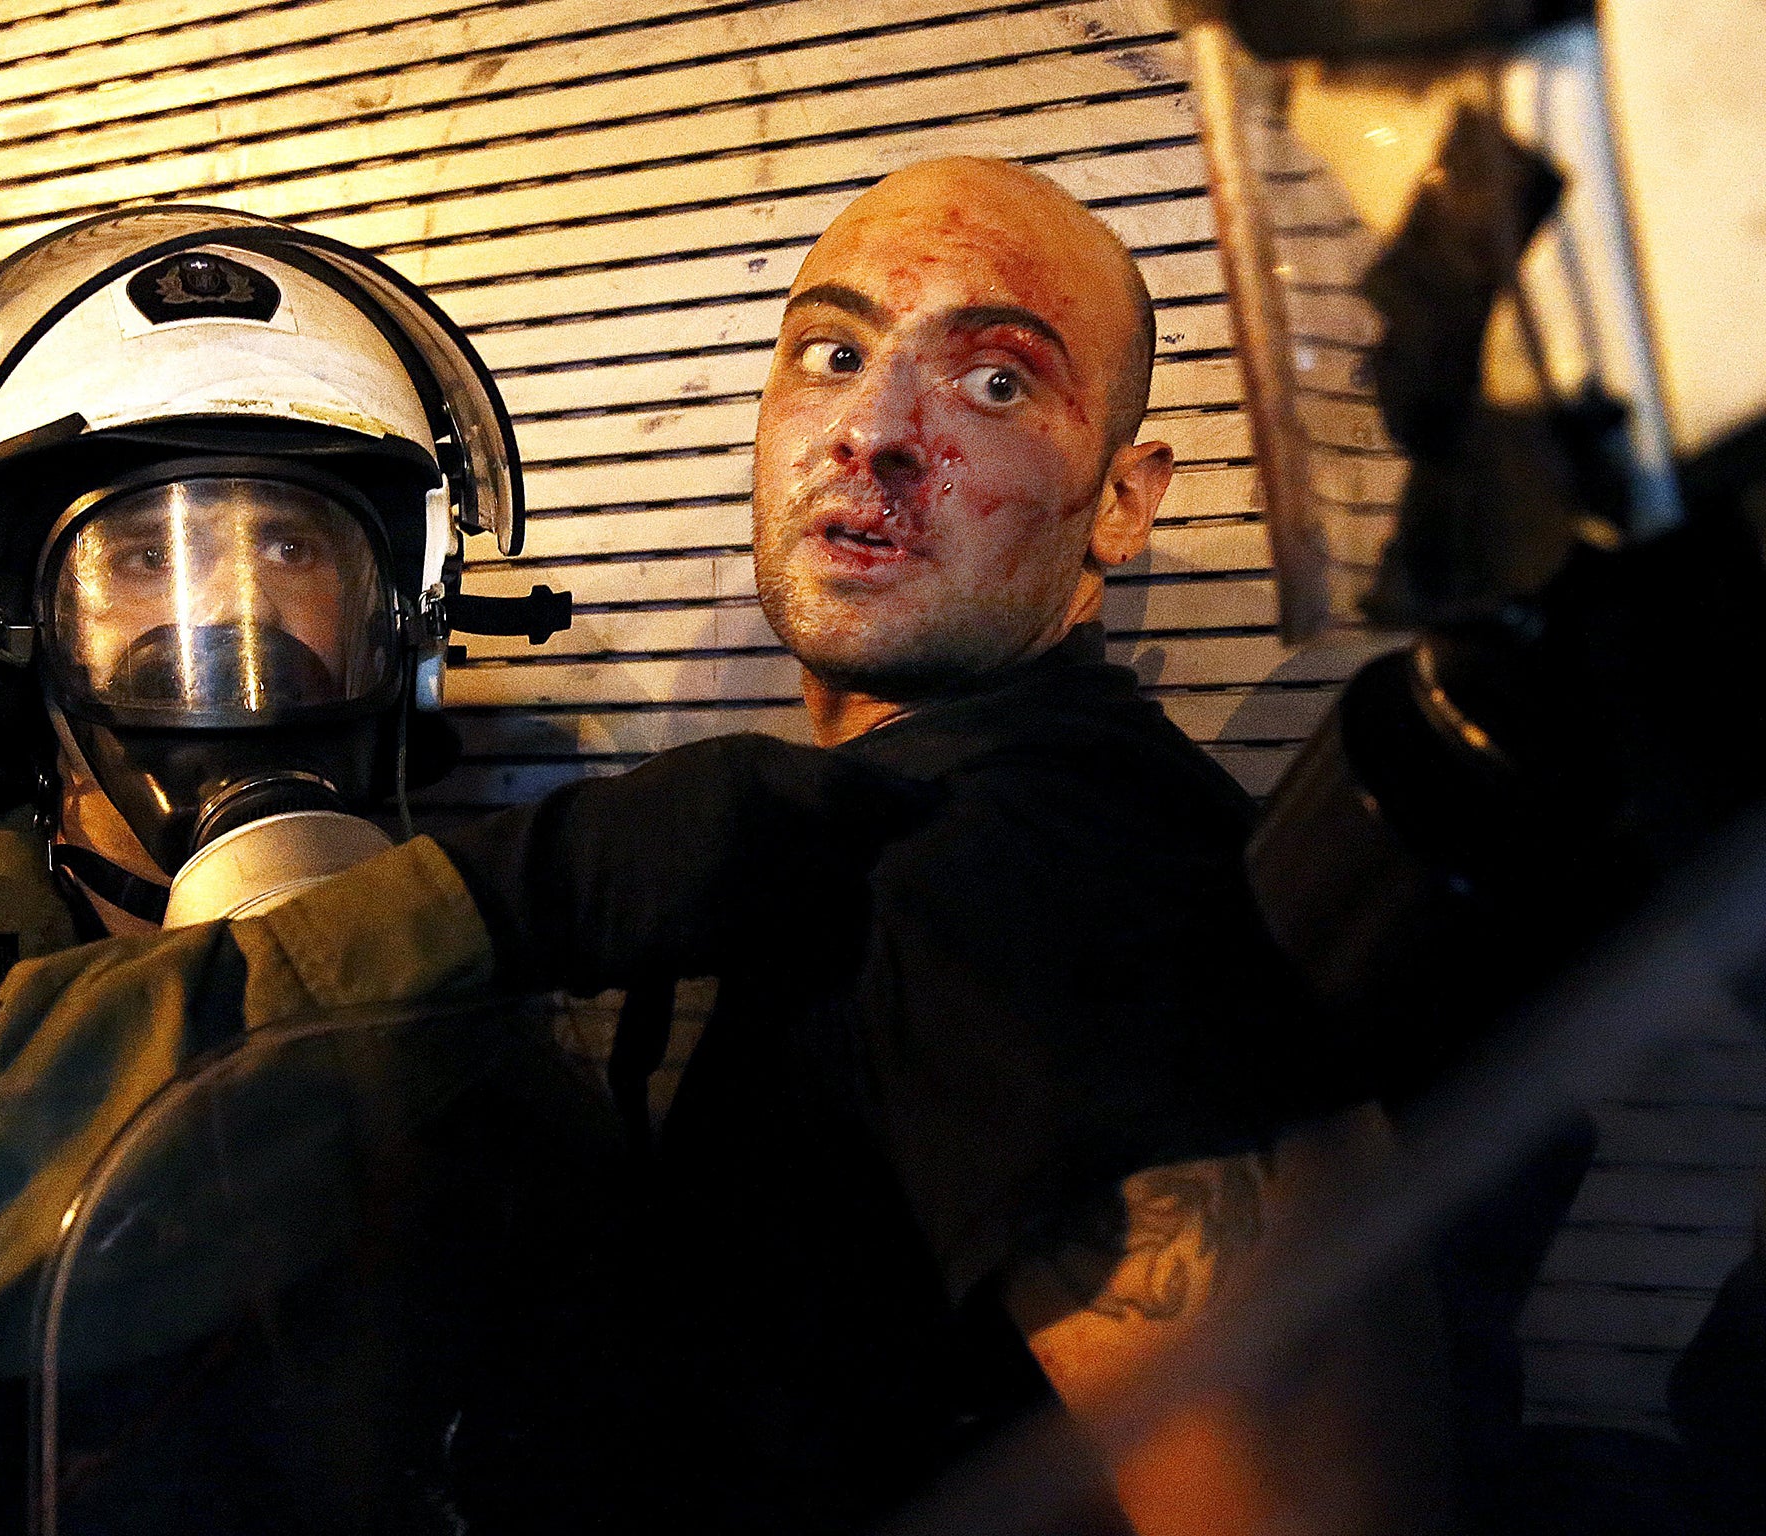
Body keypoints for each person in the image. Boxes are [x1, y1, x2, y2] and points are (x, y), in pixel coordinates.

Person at [0, 208, 918, 1535]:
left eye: (291, 547)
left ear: (400, 634)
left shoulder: (476, 1027)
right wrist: (493, 909)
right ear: (8, 642)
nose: (222, 611)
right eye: (137, 556)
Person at [458, 156, 1453, 1536]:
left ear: (1120, 500)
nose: (873, 428)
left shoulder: (1040, 858)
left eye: (995, 381)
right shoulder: (901, 823)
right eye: (831, 350)